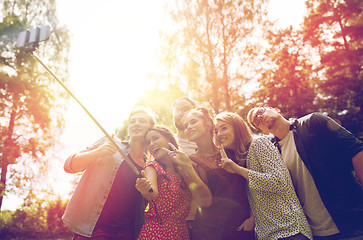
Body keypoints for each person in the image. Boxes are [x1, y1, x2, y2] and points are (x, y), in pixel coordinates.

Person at [247, 106, 363, 239]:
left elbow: (356, 150)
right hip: (314, 232)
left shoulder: (312, 122)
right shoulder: (272, 154)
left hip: (351, 222)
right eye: (256, 121)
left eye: (261, 111)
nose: (260, 117)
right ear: (264, 132)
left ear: (276, 109)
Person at [62, 106, 156, 240]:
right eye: (133, 121)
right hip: (95, 229)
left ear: (151, 128)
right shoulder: (109, 143)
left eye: (142, 121)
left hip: (127, 233)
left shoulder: (150, 166)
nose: (136, 123)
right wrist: (98, 152)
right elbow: (69, 166)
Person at [215, 112, 312, 240]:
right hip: (268, 235)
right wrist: (253, 218)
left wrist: (238, 170)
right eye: (216, 131)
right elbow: (259, 194)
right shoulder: (242, 159)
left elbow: (279, 182)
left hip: (290, 230)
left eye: (224, 128)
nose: (219, 134)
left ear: (237, 128)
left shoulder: (259, 144)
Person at [183, 107, 255, 240]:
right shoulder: (189, 162)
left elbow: (253, 185)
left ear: (208, 124)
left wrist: (253, 216)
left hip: (242, 227)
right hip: (210, 231)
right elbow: (202, 200)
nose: (188, 127)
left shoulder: (231, 150)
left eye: (193, 122)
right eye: (186, 126)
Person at [135, 125, 212, 240]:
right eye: (148, 142)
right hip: (156, 233)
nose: (151, 144)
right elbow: (152, 194)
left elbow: (206, 201)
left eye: (155, 138)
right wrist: (145, 189)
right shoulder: (152, 167)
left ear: (169, 139)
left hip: (182, 233)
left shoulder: (183, 168)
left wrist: (188, 167)